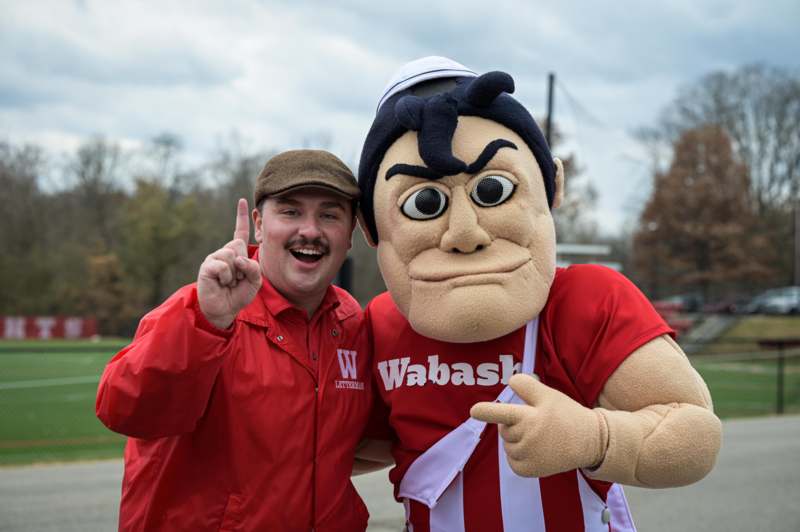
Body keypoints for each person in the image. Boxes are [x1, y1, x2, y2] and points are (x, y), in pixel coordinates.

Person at [356, 57, 721, 530]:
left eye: (492, 189)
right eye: (425, 204)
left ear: (551, 188)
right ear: (371, 227)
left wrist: (597, 438)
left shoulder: (586, 301)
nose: (465, 233)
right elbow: (345, 445)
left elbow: (694, 432)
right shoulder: (382, 323)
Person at [96, 149, 374, 531]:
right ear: (259, 224)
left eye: (329, 215)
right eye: (290, 212)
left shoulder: (353, 324)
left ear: (350, 235)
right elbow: (124, 410)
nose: (310, 230)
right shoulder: (202, 309)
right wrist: (208, 323)